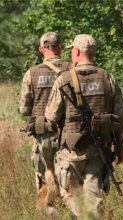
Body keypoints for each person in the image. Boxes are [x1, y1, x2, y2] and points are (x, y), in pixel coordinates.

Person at [45, 34, 123, 219]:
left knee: (73, 198)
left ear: (76, 51)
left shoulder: (64, 79)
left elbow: (51, 116)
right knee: (93, 197)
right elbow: (121, 118)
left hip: (71, 153)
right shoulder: (108, 78)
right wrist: (120, 147)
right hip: (99, 152)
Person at [19, 32, 71, 203]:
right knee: (71, 179)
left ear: (41, 50)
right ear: (60, 47)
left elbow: (24, 109)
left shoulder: (32, 73)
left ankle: (51, 210)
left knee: (46, 178)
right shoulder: (72, 70)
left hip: (43, 137)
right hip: (69, 135)